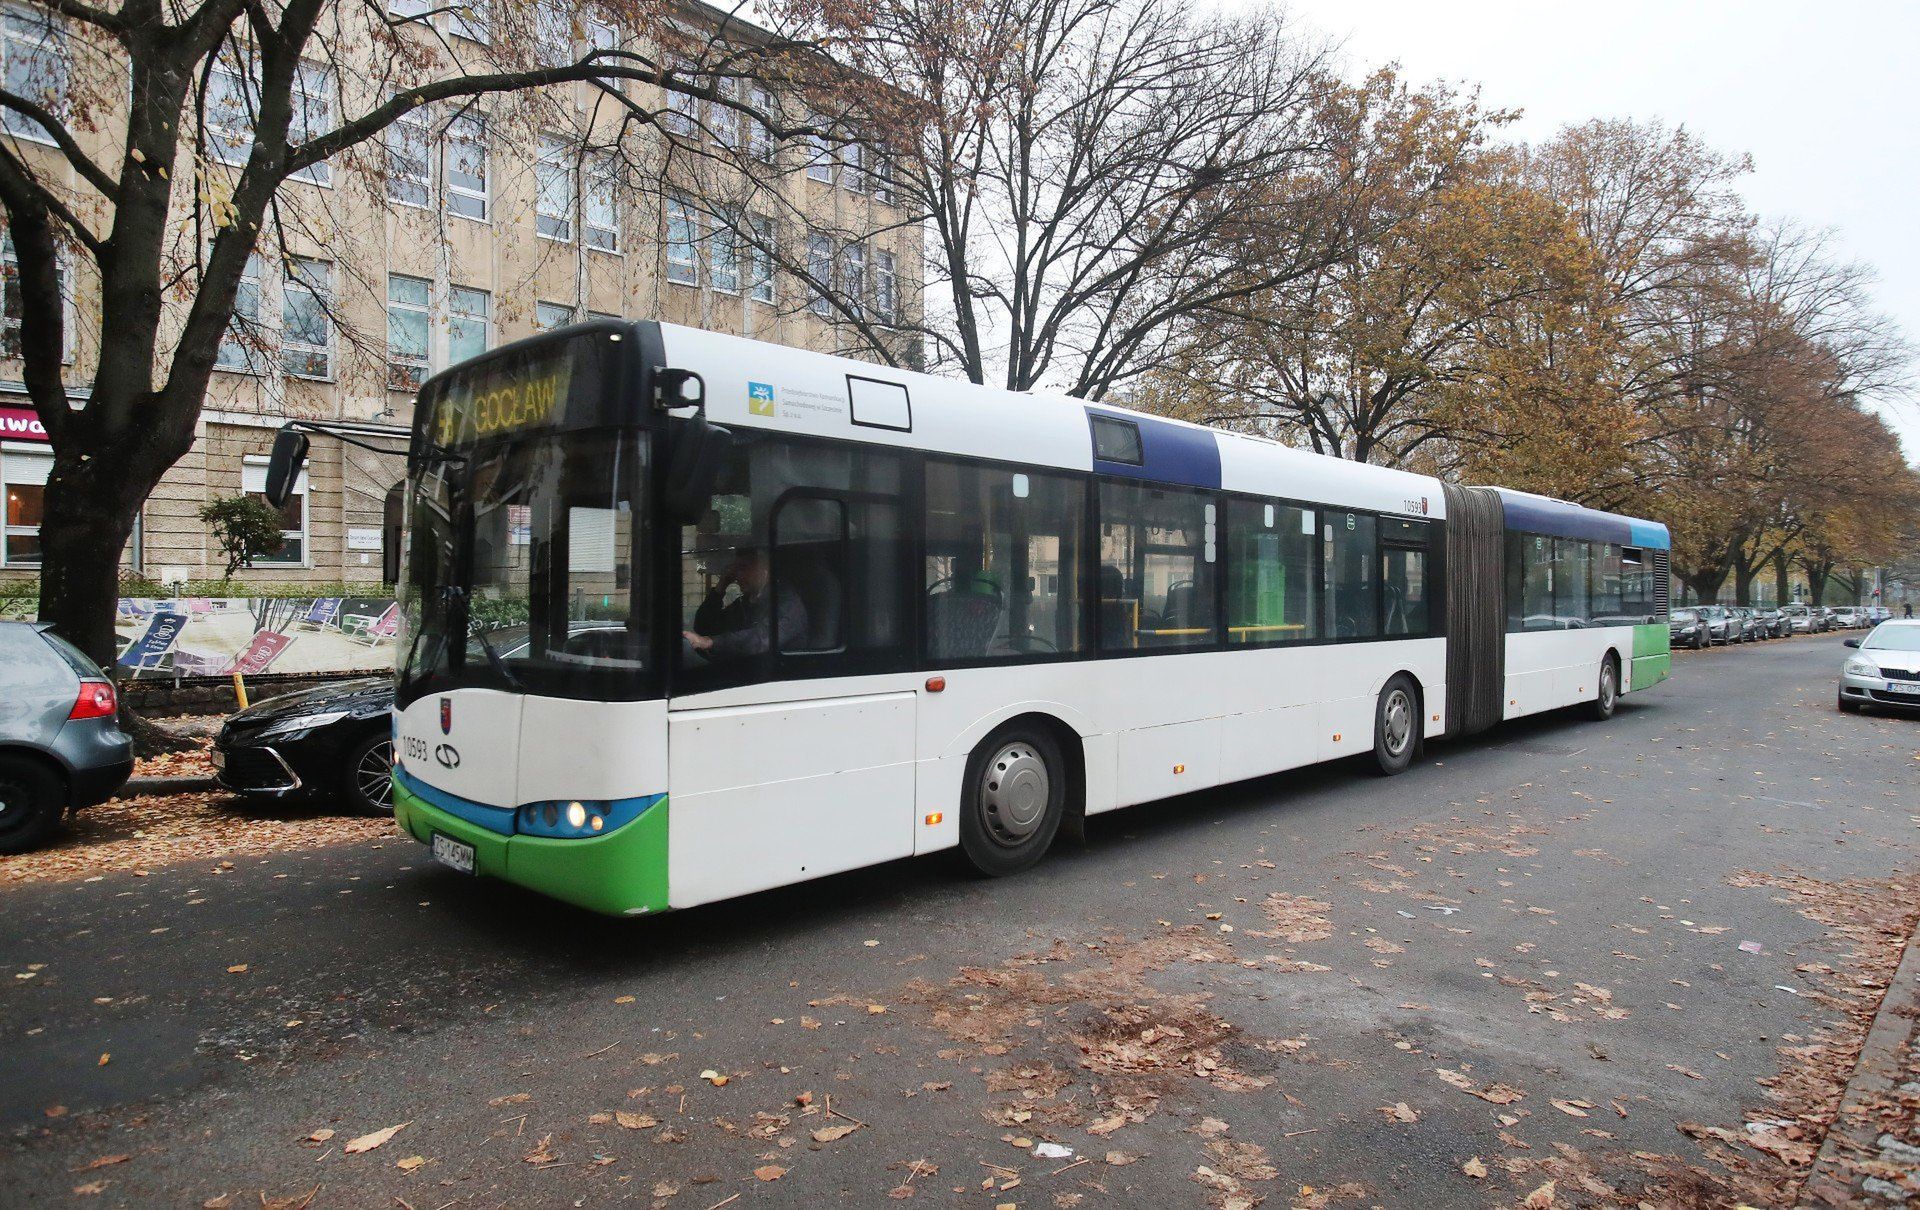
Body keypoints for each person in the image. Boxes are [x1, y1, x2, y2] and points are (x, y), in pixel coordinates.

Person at [683, 545, 806, 660]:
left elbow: (761, 640)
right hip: (746, 669)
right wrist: (721, 587)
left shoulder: (787, 602)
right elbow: (704, 627)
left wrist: (711, 642)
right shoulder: (746, 602)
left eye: (742, 568)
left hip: (781, 675)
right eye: (735, 569)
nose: (737, 575)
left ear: (764, 568)